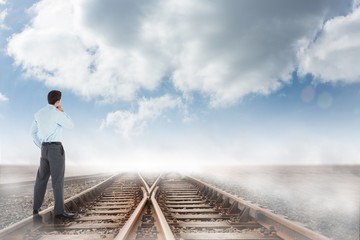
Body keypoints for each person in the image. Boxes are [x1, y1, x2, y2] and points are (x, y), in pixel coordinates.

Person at [30, 90, 75, 219]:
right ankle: (59, 212)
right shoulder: (57, 113)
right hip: (55, 149)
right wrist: (62, 111)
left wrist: (42, 146)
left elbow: (32, 133)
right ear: (58, 101)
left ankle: (35, 208)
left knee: (41, 178)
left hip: (44, 149)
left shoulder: (38, 114)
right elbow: (71, 125)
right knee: (57, 180)